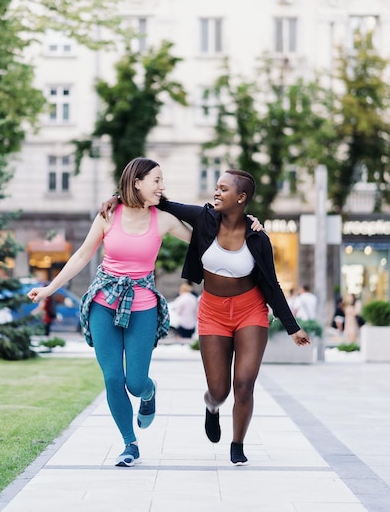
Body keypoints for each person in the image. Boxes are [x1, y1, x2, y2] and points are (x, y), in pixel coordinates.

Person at [101, 168, 310, 465]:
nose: (216, 193)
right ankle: (212, 407)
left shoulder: (258, 238)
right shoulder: (204, 218)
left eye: (223, 189)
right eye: (216, 187)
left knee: (245, 383)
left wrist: (293, 328)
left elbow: (272, 284)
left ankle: (238, 444)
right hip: (212, 311)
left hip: (250, 309)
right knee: (219, 390)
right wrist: (116, 197)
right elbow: (160, 202)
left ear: (241, 198)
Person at [27, 158, 194, 468]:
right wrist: (49, 288)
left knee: (135, 381)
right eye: (156, 180)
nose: (162, 186)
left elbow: (203, 238)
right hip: (103, 304)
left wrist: (244, 224)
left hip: (142, 307)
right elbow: (81, 256)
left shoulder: (164, 219)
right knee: (113, 377)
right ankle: (130, 444)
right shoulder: (107, 215)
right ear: (137, 183)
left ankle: (149, 392)